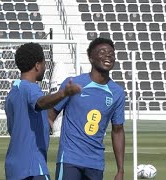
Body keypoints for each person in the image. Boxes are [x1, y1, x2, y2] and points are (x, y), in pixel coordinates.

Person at [48, 37, 125, 180]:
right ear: (91, 58)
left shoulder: (117, 92)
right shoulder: (73, 83)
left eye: (111, 53)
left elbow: (118, 130)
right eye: (102, 52)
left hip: (95, 163)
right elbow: (50, 115)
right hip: (69, 159)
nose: (108, 55)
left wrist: (120, 170)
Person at [4, 43, 81, 180]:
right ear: (37, 65)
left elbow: (14, 129)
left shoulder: (13, 93)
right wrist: (64, 93)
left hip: (13, 167)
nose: (45, 68)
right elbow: (40, 102)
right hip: (32, 166)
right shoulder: (30, 88)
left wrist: (45, 125)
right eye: (44, 63)